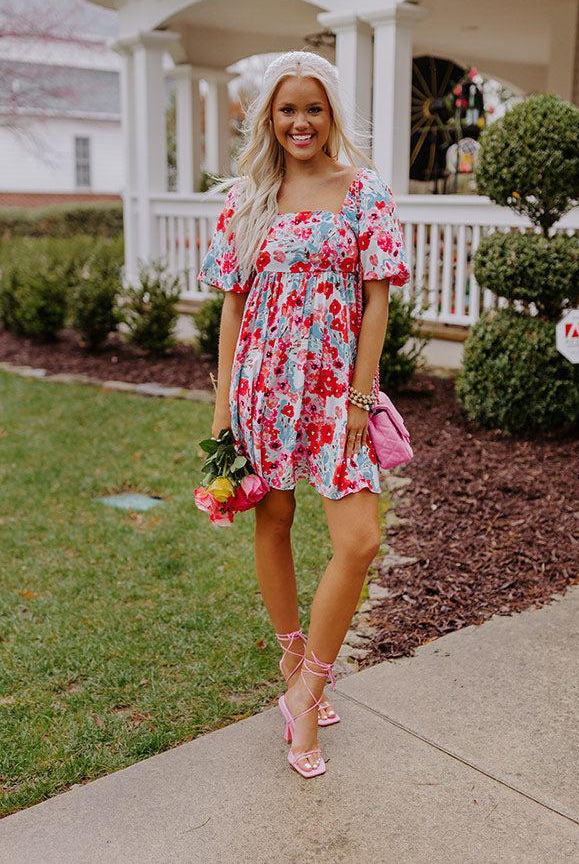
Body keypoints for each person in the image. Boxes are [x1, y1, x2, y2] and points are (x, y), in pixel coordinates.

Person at [199, 49, 410, 778]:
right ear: (270, 116)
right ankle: (296, 663)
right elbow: (232, 304)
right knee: (276, 518)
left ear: (331, 116)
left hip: (334, 395)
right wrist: (224, 406)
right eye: (287, 109)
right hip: (263, 388)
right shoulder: (247, 197)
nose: (300, 122)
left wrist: (359, 395)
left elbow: (377, 296)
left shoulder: (364, 191)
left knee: (357, 539)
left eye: (312, 109)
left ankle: (311, 682)